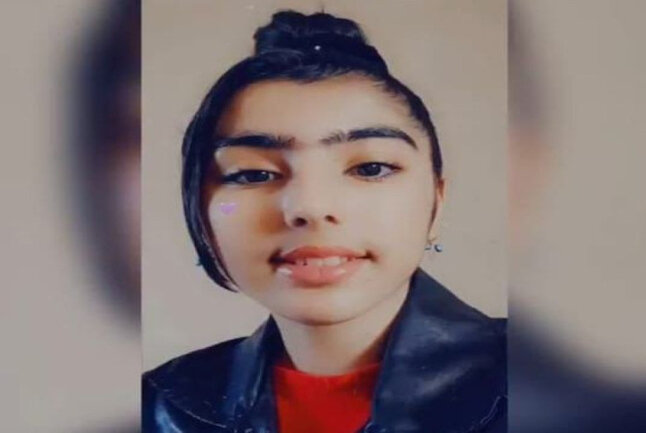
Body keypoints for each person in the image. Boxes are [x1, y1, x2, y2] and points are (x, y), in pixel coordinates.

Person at [143, 10, 506, 433]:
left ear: (436, 203)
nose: (310, 207)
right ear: (199, 210)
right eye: (253, 174)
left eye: (370, 168)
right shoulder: (160, 406)